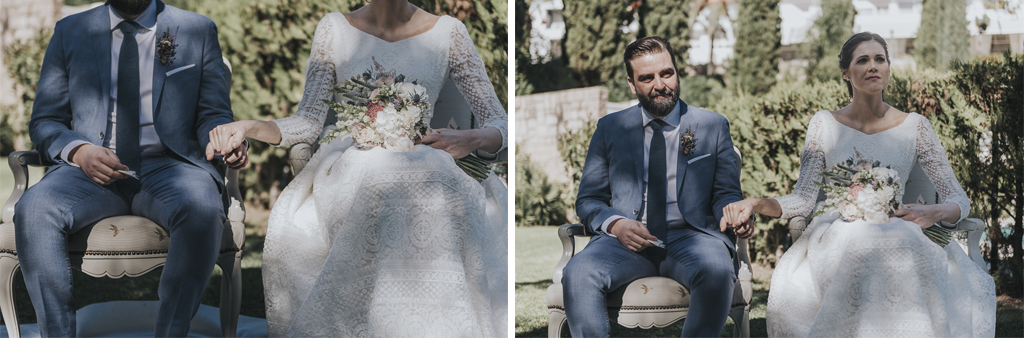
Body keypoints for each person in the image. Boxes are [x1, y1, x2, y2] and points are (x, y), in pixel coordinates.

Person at [205, 0, 508, 336]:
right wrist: (248, 126)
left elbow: (500, 121)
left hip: (423, 157)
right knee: (382, 176)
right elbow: (307, 123)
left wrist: (475, 137)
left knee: (433, 175)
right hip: (352, 164)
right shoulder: (334, 29)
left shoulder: (449, 32)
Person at [720, 32, 996, 337]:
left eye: (880, 59)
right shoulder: (824, 124)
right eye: (862, 60)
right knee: (862, 244)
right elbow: (803, 199)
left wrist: (935, 212)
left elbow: (958, 197)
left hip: (899, 225)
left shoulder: (915, 126)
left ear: (889, 68)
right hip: (838, 231)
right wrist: (755, 203)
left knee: (900, 243)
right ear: (846, 73)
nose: (873, 66)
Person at [14, 0, 246, 336]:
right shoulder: (71, 31)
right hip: (88, 171)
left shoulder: (197, 29)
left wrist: (227, 142)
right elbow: (46, 120)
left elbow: (213, 113)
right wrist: (79, 151)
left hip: (169, 167)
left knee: (202, 208)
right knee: (33, 210)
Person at [561, 36, 754, 337]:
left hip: (693, 238)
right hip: (624, 242)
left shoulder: (713, 125)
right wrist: (616, 225)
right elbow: (589, 200)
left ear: (677, 72)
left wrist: (734, 214)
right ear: (631, 83)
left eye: (667, 73)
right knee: (577, 273)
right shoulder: (609, 128)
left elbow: (725, 193)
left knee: (716, 271)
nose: (660, 84)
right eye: (647, 78)